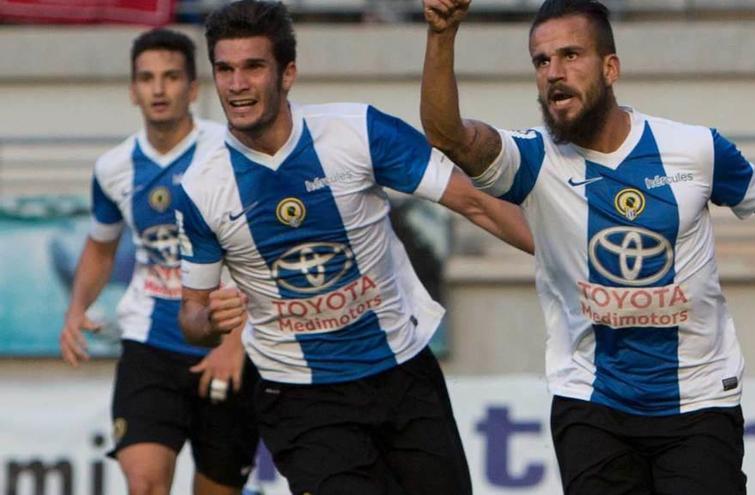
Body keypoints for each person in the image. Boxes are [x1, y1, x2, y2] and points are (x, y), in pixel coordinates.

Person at [419, 0, 755, 493]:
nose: (554, 73)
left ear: (611, 68)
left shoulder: (694, 149)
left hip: (699, 402)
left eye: (571, 55)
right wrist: (442, 35)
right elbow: (448, 136)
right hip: (592, 402)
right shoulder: (532, 160)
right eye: (541, 61)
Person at [174, 1, 533, 494]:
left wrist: (564, 253)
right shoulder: (200, 187)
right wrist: (208, 323)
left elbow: (473, 201)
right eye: (225, 69)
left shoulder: (357, 131)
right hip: (301, 396)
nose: (237, 85)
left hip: (402, 373)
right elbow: (190, 314)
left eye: (253, 67)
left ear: (287, 73)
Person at [58, 28, 259, 495]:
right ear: (133, 90)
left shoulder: (230, 152)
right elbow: (101, 246)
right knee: (144, 483)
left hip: (225, 345)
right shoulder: (113, 168)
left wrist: (235, 342)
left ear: (192, 89)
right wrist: (75, 311)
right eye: (146, 78)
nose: (158, 88)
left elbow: (258, 252)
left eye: (171, 77)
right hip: (150, 345)